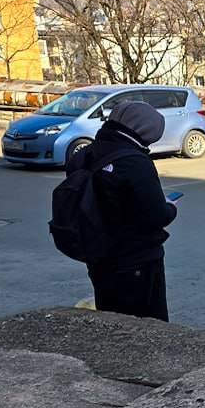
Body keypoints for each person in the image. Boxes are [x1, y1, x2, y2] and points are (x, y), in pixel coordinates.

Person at [67, 101, 177, 321]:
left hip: (98, 253)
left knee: (111, 321)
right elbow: (155, 215)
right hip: (135, 259)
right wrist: (170, 208)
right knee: (148, 325)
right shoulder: (135, 162)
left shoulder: (85, 154)